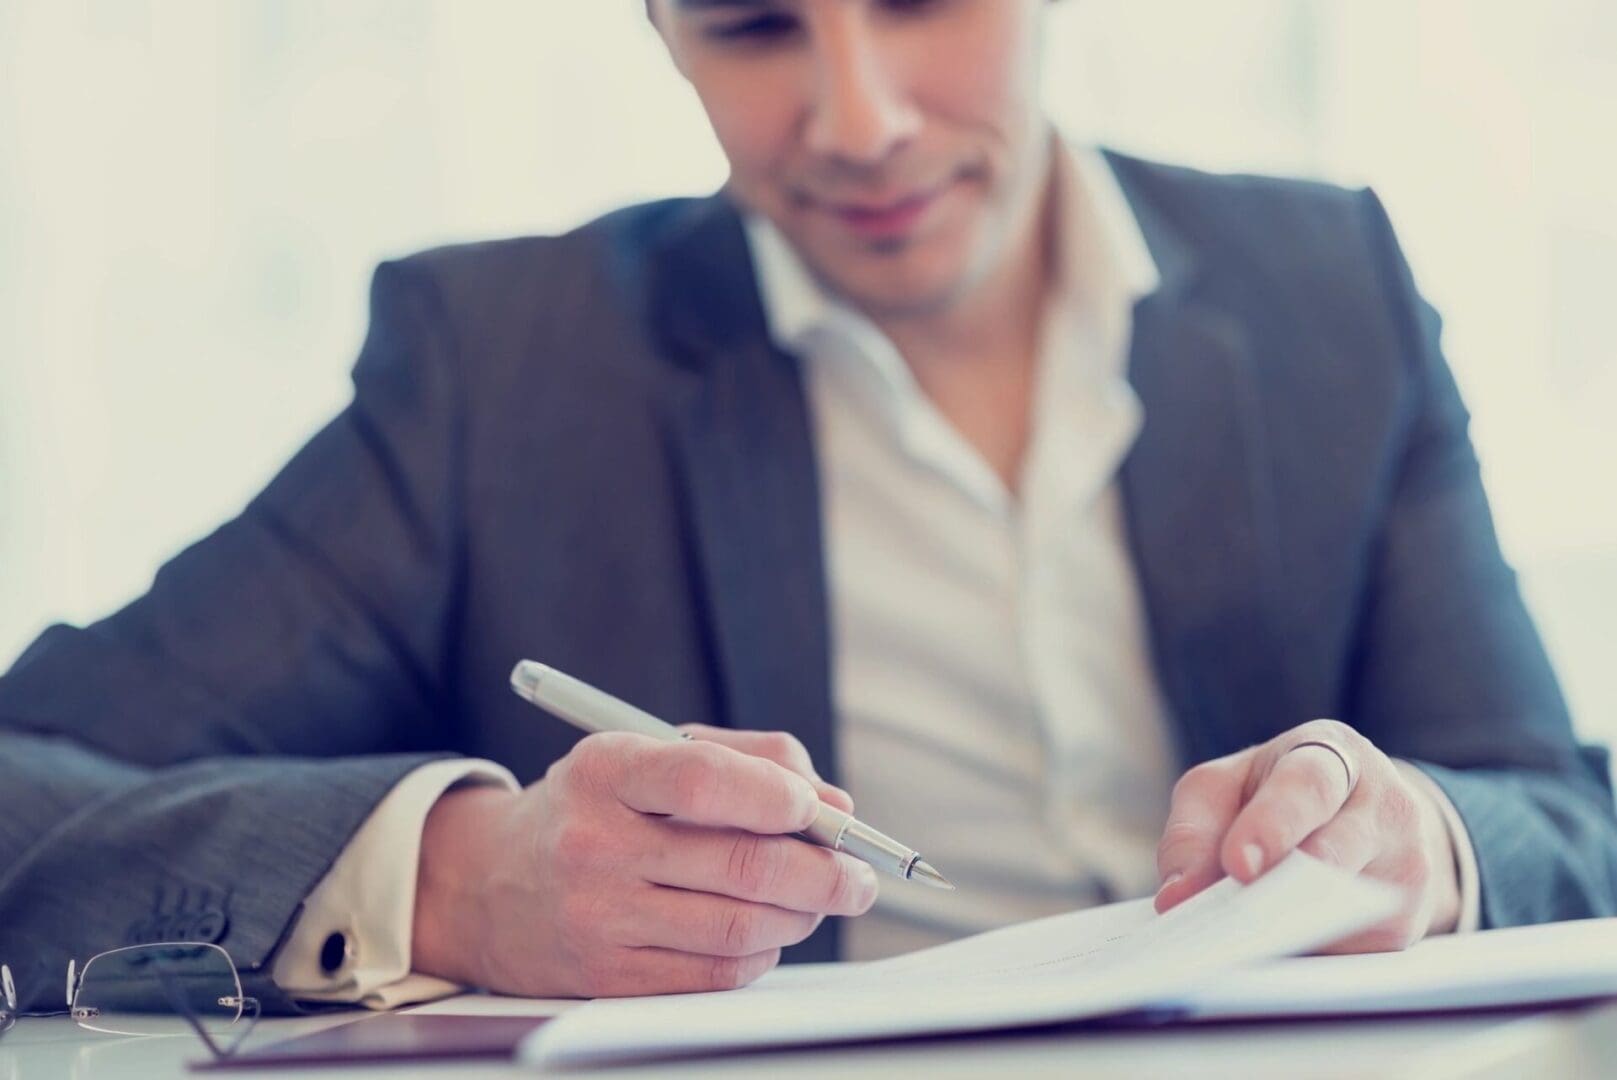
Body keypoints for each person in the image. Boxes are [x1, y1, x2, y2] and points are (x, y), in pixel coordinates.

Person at [2, 0, 1614, 1015]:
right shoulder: (501, 369)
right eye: (755, 25)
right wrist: (456, 883)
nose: (857, 120)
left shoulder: (1333, 289)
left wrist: (1422, 845)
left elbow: (1561, 819)